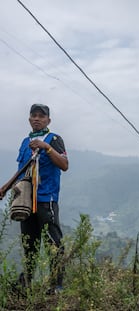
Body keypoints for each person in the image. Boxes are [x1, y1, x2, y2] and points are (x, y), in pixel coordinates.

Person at [0, 103, 68, 294]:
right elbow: (22, 169)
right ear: (29, 119)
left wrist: (46, 147)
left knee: (53, 244)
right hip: (26, 201)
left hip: (47, 199)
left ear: (48, 120)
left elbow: (64, 164)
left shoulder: (53, 139)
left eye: (41, 116)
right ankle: (26, 284)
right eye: (34, 115)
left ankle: (57, 286)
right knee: (29, 243)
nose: (37, 118)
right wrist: (6, 187)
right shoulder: (24, 142)